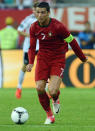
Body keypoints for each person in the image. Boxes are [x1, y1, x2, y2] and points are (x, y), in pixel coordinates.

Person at [26, 2, 87, 124]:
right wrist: (31, 62)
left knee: (53, 91)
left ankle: (55, 98)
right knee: (39, 88)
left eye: (43, 12)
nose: (40, 15)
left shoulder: (58, 27)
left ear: (48, 13)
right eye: (37, 12)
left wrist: (82, 57)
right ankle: (49, 115)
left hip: (57, 59)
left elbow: (72, 41)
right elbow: (32, 48)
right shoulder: (33, 27)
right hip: (43, 58)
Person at [15, 2, 39, 99]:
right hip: (29, 47)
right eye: (34, 10)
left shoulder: (45, 20)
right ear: (33, 10)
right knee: (25, 66)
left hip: (41, 46)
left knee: (44, 66)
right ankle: (19, 88)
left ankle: (46, 89)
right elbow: (19, 30)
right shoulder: (29, 19)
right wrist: (30, 36)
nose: (36, 12)